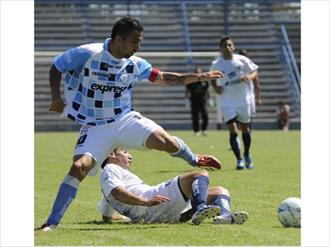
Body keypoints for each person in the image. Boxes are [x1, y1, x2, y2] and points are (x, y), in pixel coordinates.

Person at [36, 16, 223, 231]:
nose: (138, 46)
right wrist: (56, 98)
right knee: (78, 168)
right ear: (119, 39)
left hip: (124, 119)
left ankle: (194, 158)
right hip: (95, 125)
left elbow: (163, 77)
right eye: (134, 41)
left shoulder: (135, 64)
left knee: (167, 142)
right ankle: (51, 222)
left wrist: (200, 76)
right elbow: (57, 66)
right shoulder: (87, 53)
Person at [98, 148, 249, 225]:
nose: (130, 156)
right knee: (198, 175)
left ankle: (224, 217)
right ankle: (200, 208)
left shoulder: (110, 180)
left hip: (162, 213)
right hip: (153, 202)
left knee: (219, 191)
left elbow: (107, 213)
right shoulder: (111, 169)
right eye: (125, 152)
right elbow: (117, 193)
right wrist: (145, 202)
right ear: (111, 154)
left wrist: (124, 218)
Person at [210, 37, 259, 170]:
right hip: (227, 100)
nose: (228, 48)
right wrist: (215, 87)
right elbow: (212, 78)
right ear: (221, 48)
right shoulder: (217, 63)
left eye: (230, 45)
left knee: (245, 129)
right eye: (225, 46)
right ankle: (239, 160)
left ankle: (247, 154)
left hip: (243, 99)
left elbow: (254, 71)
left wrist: (249, 77)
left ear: (234, 46)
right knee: (232, 129)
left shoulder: (242, 60)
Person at [185, 66, 210, 136]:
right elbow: (187, 91)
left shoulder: (204, 81)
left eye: (199, 73)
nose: (198, 74)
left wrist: (210, 99)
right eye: (197, 73)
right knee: (195, 117)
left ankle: (204, 130)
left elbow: (207, 91)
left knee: (205, 116)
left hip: (203, 101)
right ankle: (196, 131)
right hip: (194, 102)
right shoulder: (191, 81)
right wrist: (186, 100)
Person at [237, 49, 262, 120]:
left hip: (248, 94)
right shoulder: (234, 66)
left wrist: (258, 97)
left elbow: (256, 82)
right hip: (237, 94)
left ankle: (248, 130)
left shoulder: (250, 67)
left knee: (249, 116)